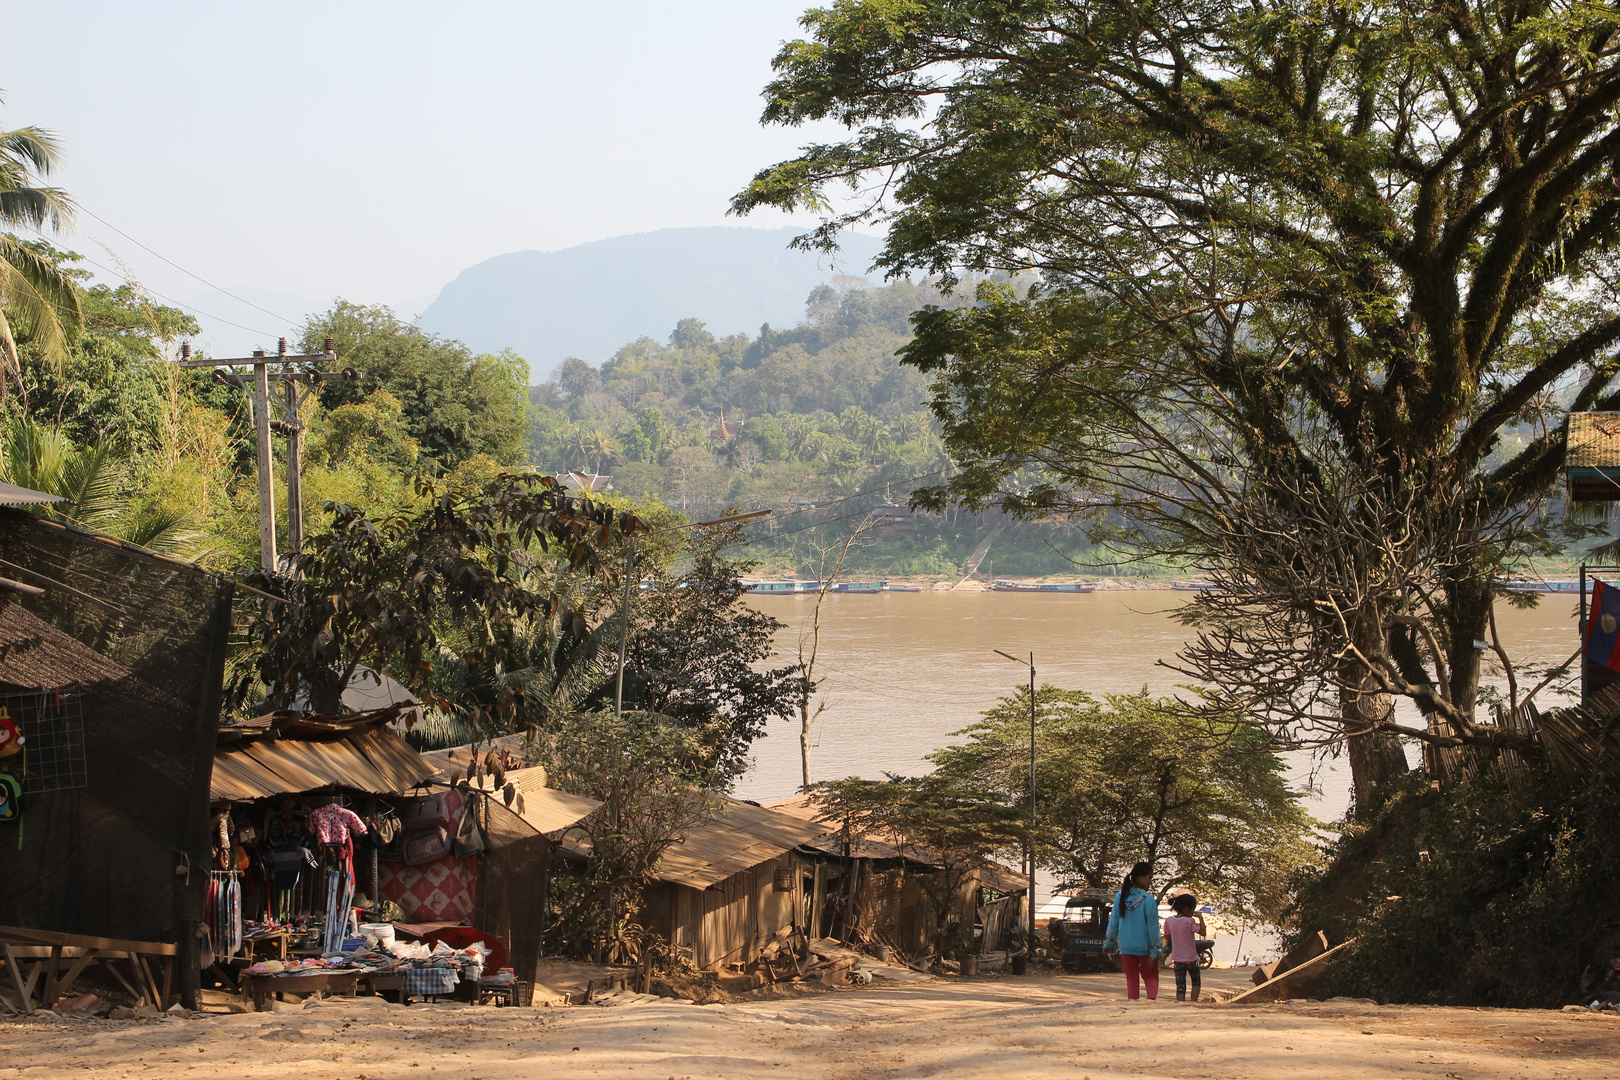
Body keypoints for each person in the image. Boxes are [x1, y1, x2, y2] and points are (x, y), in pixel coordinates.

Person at [1104, 861, 1160, 1000]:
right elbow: (1153, 927)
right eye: (1149, 878)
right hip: (1145, 948)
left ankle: (1133, 1004)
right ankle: (1151, 1003)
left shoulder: (1120, 897)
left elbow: (1114, 922)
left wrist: (1108, 943)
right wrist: (1155, 949)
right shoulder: (1148, 900)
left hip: (1126, 947)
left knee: (1131, 978)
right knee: (1150, 976)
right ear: (1140, 878)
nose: (1150, 882)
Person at [1163, 893, 1207, 1002]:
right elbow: (1202, 932)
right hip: (1191, 958)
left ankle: (1180, 1004)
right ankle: (1194, 1002)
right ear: (1187, 909)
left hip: (1177, 959)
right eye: (1193, 910)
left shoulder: (1169, 920)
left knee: (1180, 985)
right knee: (1196, 982)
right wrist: (1200, 918)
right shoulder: (1189, 921)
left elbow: (1167, 936)